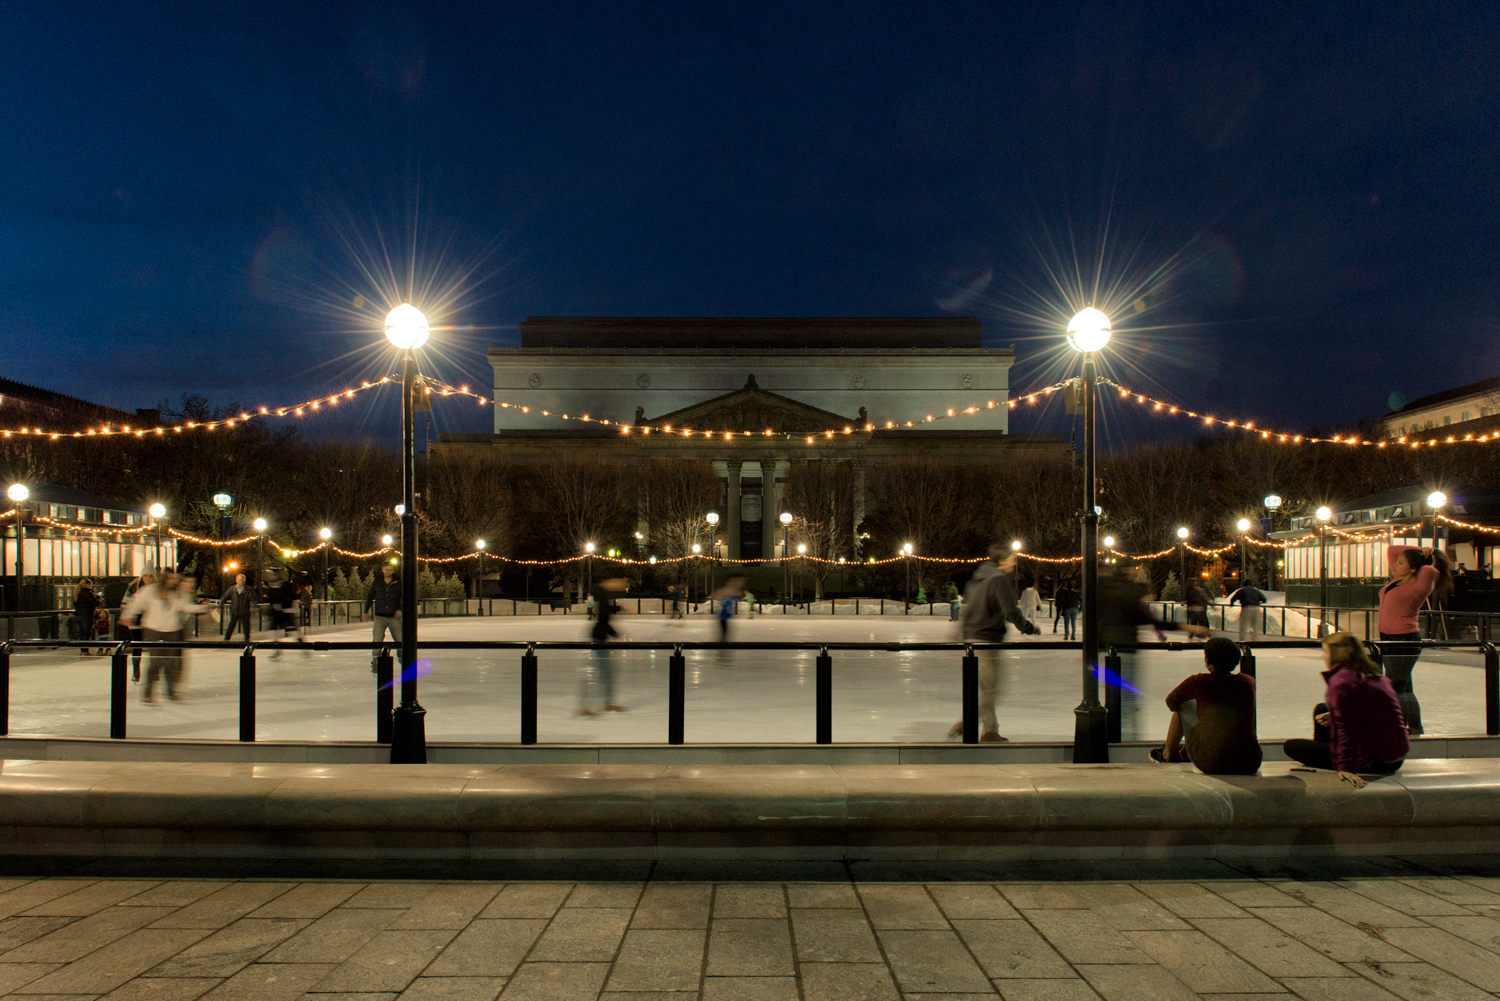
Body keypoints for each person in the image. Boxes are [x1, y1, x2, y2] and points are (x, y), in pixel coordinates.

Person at [1283, 631, 1410, 787]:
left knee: (1291, 747)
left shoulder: (1341, 683)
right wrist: (1336, 715)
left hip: (1376, 761)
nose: (1323, 656)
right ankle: (1329, 753)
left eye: (1325, 651)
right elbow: (1372, 713)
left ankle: (1332, 759)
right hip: (1395, 757)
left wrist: (1346, 767)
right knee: (1321, 709)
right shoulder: (1373, 675)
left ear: (1336, 655)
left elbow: (1348, 729)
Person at [948, 543, 1038, 742]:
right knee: (993, 690)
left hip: (972, 640)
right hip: (988, 640)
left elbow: (967, 610)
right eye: (1012, 558)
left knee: (986, 688)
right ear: (1001, 560)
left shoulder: (976, 580)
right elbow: (1011, 611)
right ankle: (968, 721)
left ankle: (990, 731)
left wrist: (961, 635)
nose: (1014, 562)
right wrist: (1028, 627)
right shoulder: (999, 580)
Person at [1151, 637, 1261, 774]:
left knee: (1184, 705)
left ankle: (1168, 754)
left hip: (1213, 763)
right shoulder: (1248, 682)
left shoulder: (1198, 682)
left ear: (1207, 660)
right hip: (1249, 761)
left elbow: (1171, 702)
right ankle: (1184, 753)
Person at [1377, 545, 1451, 736]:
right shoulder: (1398, 580)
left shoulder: (1420, 585)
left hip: (1404, 639)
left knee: (1397, 685)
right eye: (1397, 561)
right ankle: (1412, 725)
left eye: (1401, 563)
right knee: (1402, 684)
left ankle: (1403, 726)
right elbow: (1392, 549)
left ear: (1413, 569)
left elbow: (1428, 569)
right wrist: (1419, 548)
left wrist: (1431, 552)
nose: (1395, 564)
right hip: (1388, 638)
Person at [1097, 566, 1172, 739]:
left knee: (1117, 693)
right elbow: (1145, 617)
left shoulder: (1108, 593)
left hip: (1112, 650)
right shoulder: (1126, 594)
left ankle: (1117, 730)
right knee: (1126, 695)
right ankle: (1127, 734)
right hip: (1126, 649)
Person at [120, 571, 196, 703]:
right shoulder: (150, 590)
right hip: (153, 630)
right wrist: (127, 616)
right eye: (171, 578)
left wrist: (203, 608)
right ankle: (148, 693)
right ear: (165, 578)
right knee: (155, 662)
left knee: (171, 662)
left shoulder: (177, 592)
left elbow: (185, 606)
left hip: (172, 630)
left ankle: (170, 691)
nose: (174, 581)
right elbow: (136, 603)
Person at [579, 577, 628, 715]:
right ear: (610, 581)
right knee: (601, 673)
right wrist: (614, 633)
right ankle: (587, 705)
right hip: (599, 638)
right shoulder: (602, 593)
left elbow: (605, 613)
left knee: (606, 673)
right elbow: (603, 618)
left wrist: (620, 607)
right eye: (619, 582)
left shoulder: (603, 594)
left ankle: (606, 702)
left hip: (600, 637)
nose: (620, 585)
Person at [365, 564, 402, 672]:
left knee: (400, 640)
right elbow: (370, 596)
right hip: (380, 616)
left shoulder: (398, 582)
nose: (388, 572)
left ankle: (403, 661)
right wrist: (365, 611)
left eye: (390, 570)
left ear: (393, 571)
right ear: (383, 569)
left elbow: (402, 596)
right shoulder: (377, 582)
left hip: (393, 617)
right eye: (386, 570)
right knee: (377, 641)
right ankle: (376, 663)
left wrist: (399, 609)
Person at [118, 573, 154, 681]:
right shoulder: (133, 587)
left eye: (150, 576)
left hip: (151, 622)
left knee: (154, 647)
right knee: (137, 646)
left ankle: (154, 672)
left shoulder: (156, 588)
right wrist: (127, 616)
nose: (148, 578)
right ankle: (136, 671)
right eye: (145, 575)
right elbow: (126, 603)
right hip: (136, 622)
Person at [219, 572, 254, 643]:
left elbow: (254, 598)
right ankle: (226, 639)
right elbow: (225, 597)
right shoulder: (232, 589)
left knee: (246, 626)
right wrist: (221, 605)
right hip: (235, 611)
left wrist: (253, 606)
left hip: (244, 611)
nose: (241, 581)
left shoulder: (248, 590)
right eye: (240, 579)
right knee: (231, 625)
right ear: (236, 580)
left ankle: (247, 639)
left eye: (243, 579)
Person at [72, 579, 100, 657]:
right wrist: (98, 597)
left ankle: (83, 650)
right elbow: (95, 603)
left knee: (82, 633)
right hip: (87, 615)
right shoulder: (88, 593)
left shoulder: (77, 593)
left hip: (78, 615)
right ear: (88, 584)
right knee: (87, 633)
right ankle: (85, 651)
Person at [712, 577, 746, 643]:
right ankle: (723, 642)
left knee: (725, 630)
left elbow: (739, 595)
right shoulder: (727, 593)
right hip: (723, 615)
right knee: (724, 629)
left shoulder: (731, 594)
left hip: (725, 615)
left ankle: (723, 641)